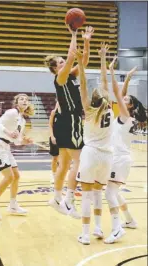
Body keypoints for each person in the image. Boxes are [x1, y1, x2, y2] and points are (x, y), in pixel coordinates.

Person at [44, 26, 94, 218]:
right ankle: (69, 200)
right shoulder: (60, 78)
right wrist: (73, 34)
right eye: (61, 62)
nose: (64, 63)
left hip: (66, 121)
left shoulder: (71, 76)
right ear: (55, 69)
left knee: (64, 164)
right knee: (79, 162)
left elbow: (83, 61)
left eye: (64, 61)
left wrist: (87, 41)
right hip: (70, 120)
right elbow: (73, 56)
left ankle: (56, 198)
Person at [104, 56, 147, 244]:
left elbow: (117, 92)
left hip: (119, 159)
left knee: (109, 193)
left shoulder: (125, 116)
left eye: (126, 99)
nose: (123, 98)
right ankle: (129, 219)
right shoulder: (128, 116)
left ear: (129, 105)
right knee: (114, 190)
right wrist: (127, 77)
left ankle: (117, 229)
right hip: (121, 157)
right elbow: (121, 93)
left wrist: (112, 71)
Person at [75, 43, 114, 245]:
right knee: (98, 193)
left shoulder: (89, 111)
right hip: (107, 156)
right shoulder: (109, 108)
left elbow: (82, 84)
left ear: (93, 99)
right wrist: (102, 58)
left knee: (87, 195)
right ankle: (98, 227)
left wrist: (81, 62)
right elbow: (105, 82)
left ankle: (85, 234)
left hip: (91, 154)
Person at [0, 93, 34, 216]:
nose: (25, 101)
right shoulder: (12, 112)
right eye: (22, 99)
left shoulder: (22, 120)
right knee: (9, 177)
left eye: (27, 100)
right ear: (16, 102)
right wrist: (9, 132)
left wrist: (25, 141)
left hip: (6, 147)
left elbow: (17, 141)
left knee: (16, 176)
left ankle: (13, 205)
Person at [49, 101, 60, 184]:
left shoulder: (68, 112)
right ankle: (54, 175)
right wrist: (52, 136)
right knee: (55, 158)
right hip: (55, 137)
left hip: (65, 138)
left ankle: (60, 175)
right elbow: (50, 125)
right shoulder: (54, 112)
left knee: (64, 159)